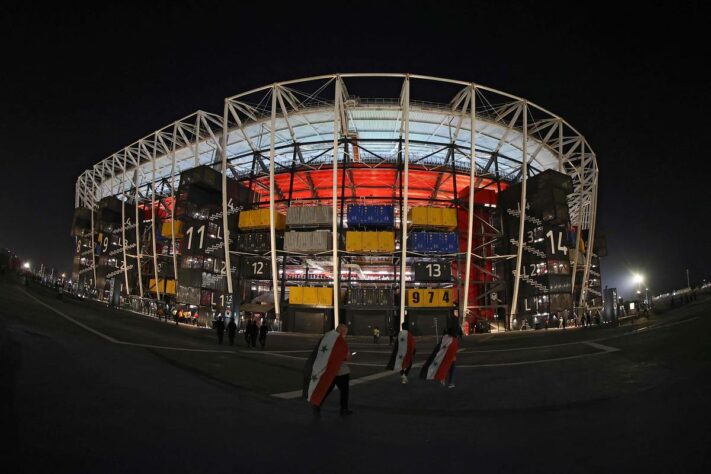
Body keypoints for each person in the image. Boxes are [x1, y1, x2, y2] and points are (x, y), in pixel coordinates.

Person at [305, 323, 353, 417]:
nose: (345, 335)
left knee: (327, 389)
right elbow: (347, 357)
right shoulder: (340, 342)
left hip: (328, 370)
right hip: (340, 371)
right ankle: (344, 409)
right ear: (342, 332)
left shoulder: (327, 337)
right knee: (344, 391)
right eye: (345, 333)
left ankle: (317, 404)